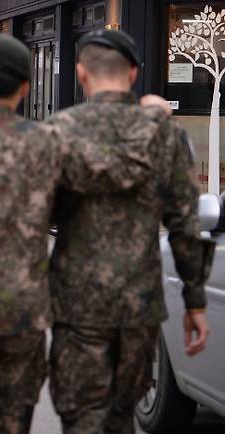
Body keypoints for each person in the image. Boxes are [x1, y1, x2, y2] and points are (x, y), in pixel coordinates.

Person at [0, 34, 168, 434]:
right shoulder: (47, 142)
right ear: (26, 88)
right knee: (12, 423)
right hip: (24, 315)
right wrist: (153, 119)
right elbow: (117, 171)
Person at [47, 30, 215, 434]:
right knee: (121, 415)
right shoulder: (165, 135)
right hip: (137, 304)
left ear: (82, 74)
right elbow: (185, 224)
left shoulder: (58, 131)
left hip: (75, 302)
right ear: (135, 73)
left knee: (80, 415)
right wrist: (194, 302)